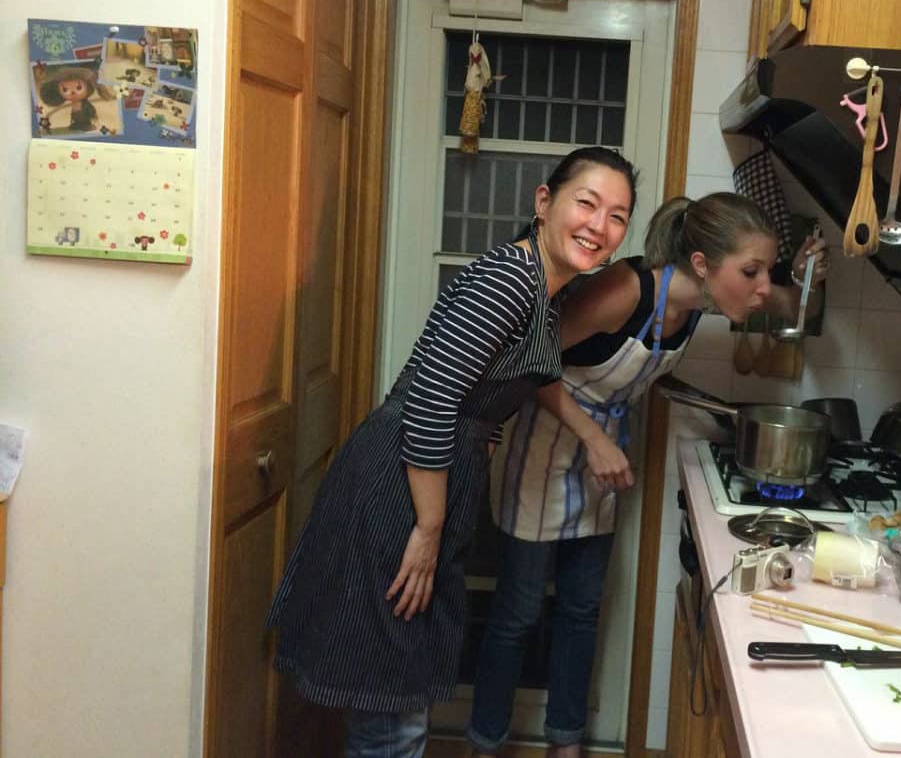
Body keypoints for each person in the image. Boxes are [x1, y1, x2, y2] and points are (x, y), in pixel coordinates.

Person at [267, 146, 639, 758]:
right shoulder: (510, 280)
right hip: (404, 483)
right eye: (587, 203)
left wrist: (486, 445)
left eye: (618, 216)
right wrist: (430, 525)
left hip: (426, 474)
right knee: (394, 693)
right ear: (544, 204)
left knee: (397, 680)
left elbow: (503, 380)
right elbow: (433, 400)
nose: (600, 227)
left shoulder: (541, 289)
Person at [466, 193, 828, 757]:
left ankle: (566, 744)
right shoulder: (626, 291)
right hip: (542, 451)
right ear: (704, 265)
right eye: (751, 272)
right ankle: (484, 744)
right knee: (518, 613)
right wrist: (591, 437)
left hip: (600, 466)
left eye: (764, 272)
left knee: (582, 611)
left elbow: (784, 305)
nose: (761, 288)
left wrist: (800, 278)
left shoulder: (701, 300)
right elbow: (527, 357)